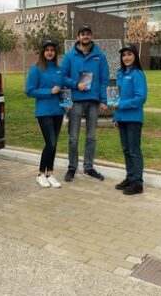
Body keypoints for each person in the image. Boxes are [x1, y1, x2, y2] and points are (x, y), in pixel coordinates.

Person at [60, 24, 110, 182]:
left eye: (88, 34)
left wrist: (104, 99)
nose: (85, 36)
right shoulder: (69, 56)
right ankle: (72, 167)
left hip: (93, 101)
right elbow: (62, 77)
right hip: (75, 101)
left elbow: (104, 79)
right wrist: (76, 85)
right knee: (73, 137)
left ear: (91, 36)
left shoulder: (100, 56)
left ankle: (88, 167)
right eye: (82, 34)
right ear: (78, 37)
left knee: (91, 137)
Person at [25, 39, 65, 188]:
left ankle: (50, 173)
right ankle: (40, 174)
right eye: (47, 50)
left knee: (54, 145)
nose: (50, 52)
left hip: (58, 111)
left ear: (55, 53)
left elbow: (65, 86)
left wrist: (68, 101)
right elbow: (29, 90)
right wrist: (49, 91)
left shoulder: (59, 69)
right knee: (51, 143)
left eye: (52, 50)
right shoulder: (36, 69)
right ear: (43, 52)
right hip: (44, 112)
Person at [113, 43, 148, 195]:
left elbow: (141, 98)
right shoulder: (120, 74)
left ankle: (138, 183)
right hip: (122, 118)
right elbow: (116, 98)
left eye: (129, 54)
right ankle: (130, 177)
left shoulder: (138, 74)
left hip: (134, 118)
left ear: (135, 56)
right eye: (124, 55)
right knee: (126, 150)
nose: (126, 57)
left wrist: (122, 104)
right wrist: (116, 116)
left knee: (134, 150)